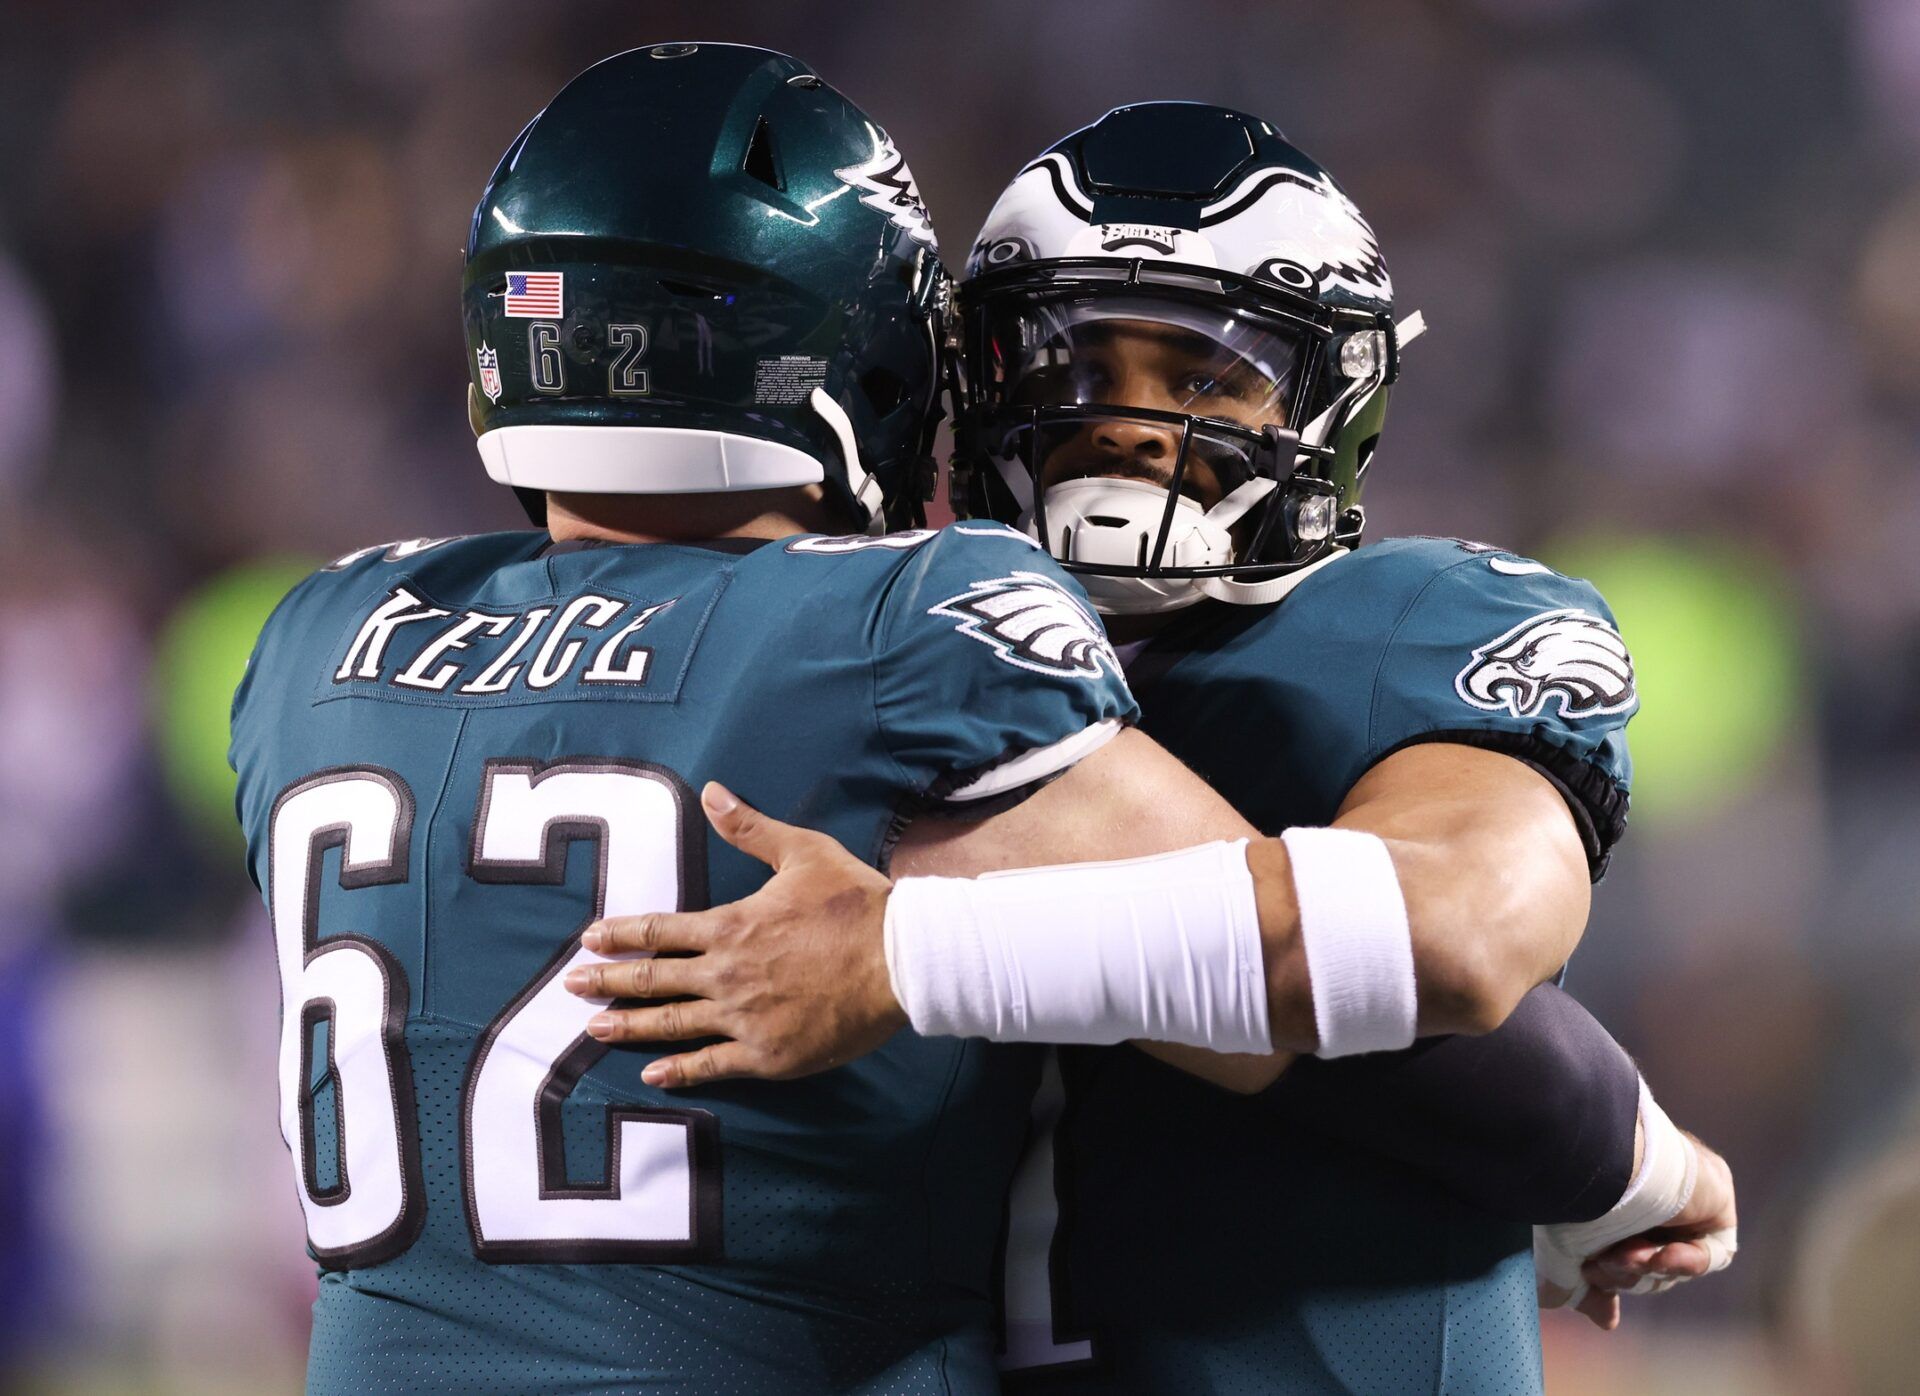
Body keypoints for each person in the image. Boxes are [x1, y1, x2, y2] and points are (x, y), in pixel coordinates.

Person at [228, 50, 1584, 1393]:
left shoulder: (317, 636)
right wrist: (1630, 1155)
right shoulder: (903, 617)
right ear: (863, 354)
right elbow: (1296, 992)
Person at [565, 103, 1737, 1392]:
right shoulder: (884, 638)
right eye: (1068, 369)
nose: (1122, 421)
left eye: (1200, 377)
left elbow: (1458, 931)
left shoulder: (1415, 624)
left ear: (1328, 400)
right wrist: (1596, 1141)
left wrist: (907, 952)